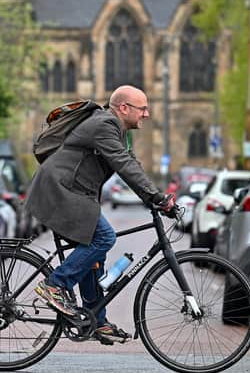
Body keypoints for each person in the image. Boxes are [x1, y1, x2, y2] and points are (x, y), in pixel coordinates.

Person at [25, 85, 175, 345]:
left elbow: (131, 163)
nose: (147, 114)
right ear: (124, 108)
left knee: (95, 253)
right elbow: (123, 165)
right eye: (143, 108)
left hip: (73, 193)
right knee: (104, 238)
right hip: (60, 191)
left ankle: (96, 319)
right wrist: (156, 197)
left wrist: (154, 196)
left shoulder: (116, 129)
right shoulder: (105, 124)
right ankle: (55, 285)